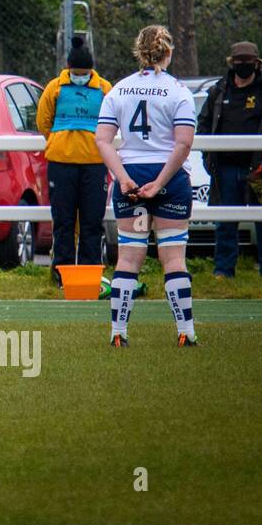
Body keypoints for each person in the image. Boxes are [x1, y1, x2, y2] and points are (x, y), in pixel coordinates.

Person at [95, 25, 199, 348]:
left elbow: (102, 140)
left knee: (127, 259)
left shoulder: (119, 90)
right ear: (169, 52)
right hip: (167, 180)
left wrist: (123, 178)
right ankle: (186, 332)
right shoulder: (179, 91)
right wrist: (161, 183)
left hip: (132, 177)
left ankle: (118, 334)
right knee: (173, 259)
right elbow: (182, 145)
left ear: (138, 51)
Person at [195, 41, 262, 280]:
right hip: (225, 168)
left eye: (248, 63)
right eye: (239, 62)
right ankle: (223, 271)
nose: (243, 67)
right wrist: (207, 154)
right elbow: (202, 125)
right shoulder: (218, 92)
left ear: (257, 64)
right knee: (225, 223)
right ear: (232, 64)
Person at [37, 36, 112, 284]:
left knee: (92, 222)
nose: (80, 76)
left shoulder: (104, 88)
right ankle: (63, 274)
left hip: (94, 164)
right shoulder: (54, 88)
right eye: (76, 72)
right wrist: (62, 141)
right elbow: (43, 122)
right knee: (64, 222)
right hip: (61, 163)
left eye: (84, 72)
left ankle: (90, 276)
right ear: (69, 68)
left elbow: (112, 122)